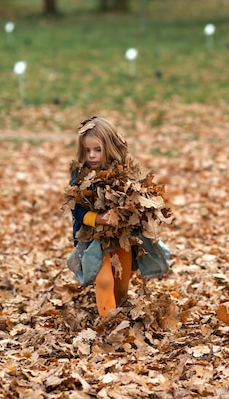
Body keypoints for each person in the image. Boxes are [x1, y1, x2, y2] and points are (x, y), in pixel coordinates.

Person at [65, 116, 170, 318]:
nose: (92, 156)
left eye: (98, 150)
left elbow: (139, 200)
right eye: (87, 151)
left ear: (110, 148)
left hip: (123, 236)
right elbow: (75, 210)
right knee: (104, 279)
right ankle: (108, 322)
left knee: (121, 280)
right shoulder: (80, 177)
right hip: (94, 238)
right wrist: (97, 219)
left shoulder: (125, 174)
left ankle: (119, 312)